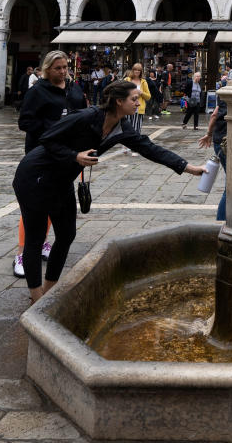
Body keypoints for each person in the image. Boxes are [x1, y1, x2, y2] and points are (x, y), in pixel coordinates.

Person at [13, 80, 207, 303]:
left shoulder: (122, 127)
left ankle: (49, 292)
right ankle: (36, 299)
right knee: (35, 238)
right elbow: (46, 139)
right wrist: (74, 156)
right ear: (118, 101)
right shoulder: (86, 116)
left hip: (62, 180)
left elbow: (150, 149)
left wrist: (188, 168)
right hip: (34, 177)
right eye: (134, 99)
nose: (138, 102)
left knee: (66, 235)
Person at [13, 50, 87, 277]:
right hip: (41, 155)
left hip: (67, 156)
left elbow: (81, 114)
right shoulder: (37, 92)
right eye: (58, 68)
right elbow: (25, 122)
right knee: (34, 204)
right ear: (47, 69)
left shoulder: (74, 89)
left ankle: (44, 242)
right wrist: (52, 131)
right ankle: (23, 252)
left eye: (65, 67)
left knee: (57, 200)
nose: (63, 72)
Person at [199, 80, 229, 221]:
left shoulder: (222, 98)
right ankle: (221, 219)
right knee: (231, 184)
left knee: (231, 181)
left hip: (218, 141)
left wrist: (209, 134)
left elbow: (214, 115)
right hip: (229, 143)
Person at [123, 63, 151, 137]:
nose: (137, 72)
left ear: (141, 71)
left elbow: (148, 97)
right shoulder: (127, 80)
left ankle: (135, 146)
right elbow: (121, 92)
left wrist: (141, 92)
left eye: (139, 70)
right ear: (132, 70)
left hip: (139, 108)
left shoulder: (143, 82)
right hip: (128, 107)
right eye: (135, 70)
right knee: (127, 128)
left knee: (136, 129)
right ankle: (127, 146)